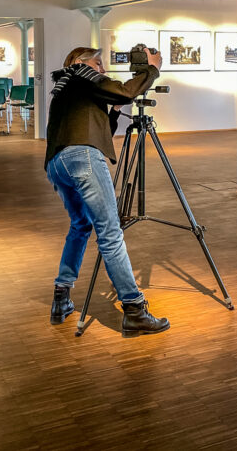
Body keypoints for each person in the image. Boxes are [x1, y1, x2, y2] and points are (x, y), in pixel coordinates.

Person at [45, 46, 169, 335]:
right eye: (97, 63)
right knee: (110, 233)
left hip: (56, 163)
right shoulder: (82, 74)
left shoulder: (66, 86)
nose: (101, 69)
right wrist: (151, 68)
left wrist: (113, 109)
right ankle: (134, 309)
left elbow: (101, 128)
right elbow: (125, 91)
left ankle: (61, 297)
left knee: (80, 225)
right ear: (79, 62)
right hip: (81, 158)